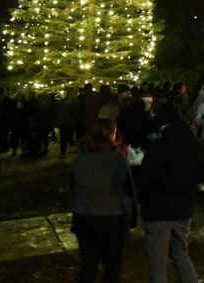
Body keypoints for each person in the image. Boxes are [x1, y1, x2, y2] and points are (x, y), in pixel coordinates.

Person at [138, 103, 204, 283]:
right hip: (184, 209)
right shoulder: (195, 144)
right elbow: (203, 174)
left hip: (157, 210)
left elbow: (145, 177)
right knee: (180, 253)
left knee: (158, 261)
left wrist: (141, 199)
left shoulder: (159, 146)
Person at [68, 118, 137, 283]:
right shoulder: (117, 158)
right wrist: (131, 217)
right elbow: (127, 190)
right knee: (111, 266)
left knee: (89, 264)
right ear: (110, 134)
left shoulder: (79, 159)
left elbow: (72, 189)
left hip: (83, 217)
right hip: (110, 217)